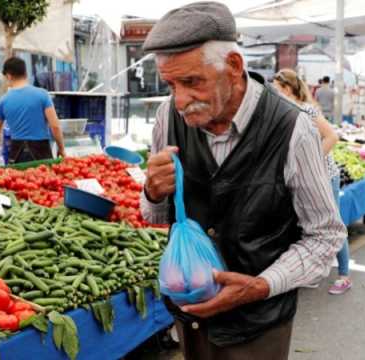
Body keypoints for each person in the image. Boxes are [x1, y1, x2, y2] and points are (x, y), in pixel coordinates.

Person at [140, 2, 347, 359]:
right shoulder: (166, 117)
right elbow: (157, 217)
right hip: (190, 317)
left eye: (191, 82)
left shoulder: (292, 129)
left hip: (258, 327)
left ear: (234, 67)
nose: (180, 100)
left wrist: (261, 286)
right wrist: (152, 191)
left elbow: (325, 236)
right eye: (171, 84)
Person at [273, 69, 351, 294]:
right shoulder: (284, 112)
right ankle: (312, 271)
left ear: (287, 89)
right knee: (307, 223)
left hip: (326, 176)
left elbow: (332, 137)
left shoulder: (305, 110)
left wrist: (311, 164)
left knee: (332, 223)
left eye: (277, 90)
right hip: (304, 179)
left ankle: (344, 275)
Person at [0, 57, 66, 164]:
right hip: (41, 152)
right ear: (25, 73)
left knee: (20, 180)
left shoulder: (3, 101)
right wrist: (61, 148)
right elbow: (55, 126)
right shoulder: (42, 95)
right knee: (45, 179)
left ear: (8, 76)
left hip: (16, 153)